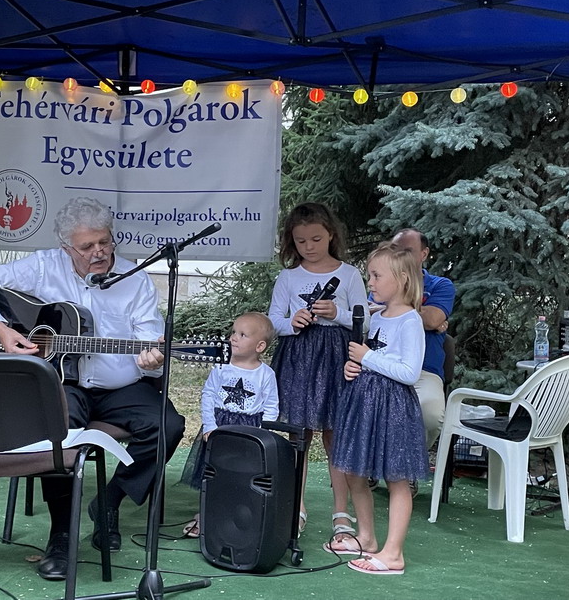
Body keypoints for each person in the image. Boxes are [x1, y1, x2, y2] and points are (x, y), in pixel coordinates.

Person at [0, 196, 185, 581]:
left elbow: (149, 339)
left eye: (104, 241)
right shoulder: (43, 267)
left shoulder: (135, 279)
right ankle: (60, 535)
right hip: (63, 382)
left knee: (169, 424)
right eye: (86, 246)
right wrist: (2, 329)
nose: (99, 252)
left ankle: (109, 502)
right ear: (66, 248)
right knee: (56, 432)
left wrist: (153, 358)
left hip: (120, 387)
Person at [268, 202, 369, 540]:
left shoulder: (349, 274)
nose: (309, 247)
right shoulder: (288, 276)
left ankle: (341, 512)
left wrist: (337, 313)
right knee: (299, 434)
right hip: (298, 358)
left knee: (334, 433)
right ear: (291, 241)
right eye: (301, 241)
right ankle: (296, 506)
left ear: (331, 236)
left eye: (316, 239)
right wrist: (292, 322)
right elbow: (273, 320)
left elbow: (365, 321)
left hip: (337, 359)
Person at [327, 243, 428, 575]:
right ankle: (367, 538)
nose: (369, 282)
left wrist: (366, 357)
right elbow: (374, 359)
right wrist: (353, 367)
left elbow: (409, 372)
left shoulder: (410, 320)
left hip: (393, 408)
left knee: (396, 478)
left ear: (401, 279)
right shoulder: (379, 316)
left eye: (376, 275)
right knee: (353, 471)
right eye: (369, 275)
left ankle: (393, 553)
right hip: (365, 404)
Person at [179, 312, 279, 537]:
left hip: (249, 432)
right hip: (220, 429)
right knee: (214, 474)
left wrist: (264, 435)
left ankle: (237, 518)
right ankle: (206, 515)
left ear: (260, 346)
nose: (233, 337)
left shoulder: (266, 374)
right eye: (233, 332)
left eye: (242, 335)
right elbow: (208, 395)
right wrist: (209, 425)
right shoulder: (221, 367)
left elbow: (272, 406)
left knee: (242, 476)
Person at [390, 228, 455, 451]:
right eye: (395, 249)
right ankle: (381, 462)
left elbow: (433, 319)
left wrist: (393, 308)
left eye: (407, 250)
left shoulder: (440, 285)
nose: (399, 256)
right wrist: (422, 314)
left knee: (431, 415)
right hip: (386, 367)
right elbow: (373, 316)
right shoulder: (383, 282)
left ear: (423, 254)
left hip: (425, 371)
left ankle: (410, 461)